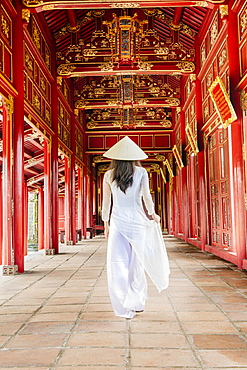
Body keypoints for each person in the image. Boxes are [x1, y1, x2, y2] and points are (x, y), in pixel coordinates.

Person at [102, 136, 170, 319]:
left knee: (117, 265)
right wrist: (153, 214)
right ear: (134, 156)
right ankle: (137, 301)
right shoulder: (141, 172)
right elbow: (146, 197)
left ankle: (123, 308)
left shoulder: (109, 175)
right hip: (137, 222)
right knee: (137, 264)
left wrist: (106, 224)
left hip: (117, 222)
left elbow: (106, 203)